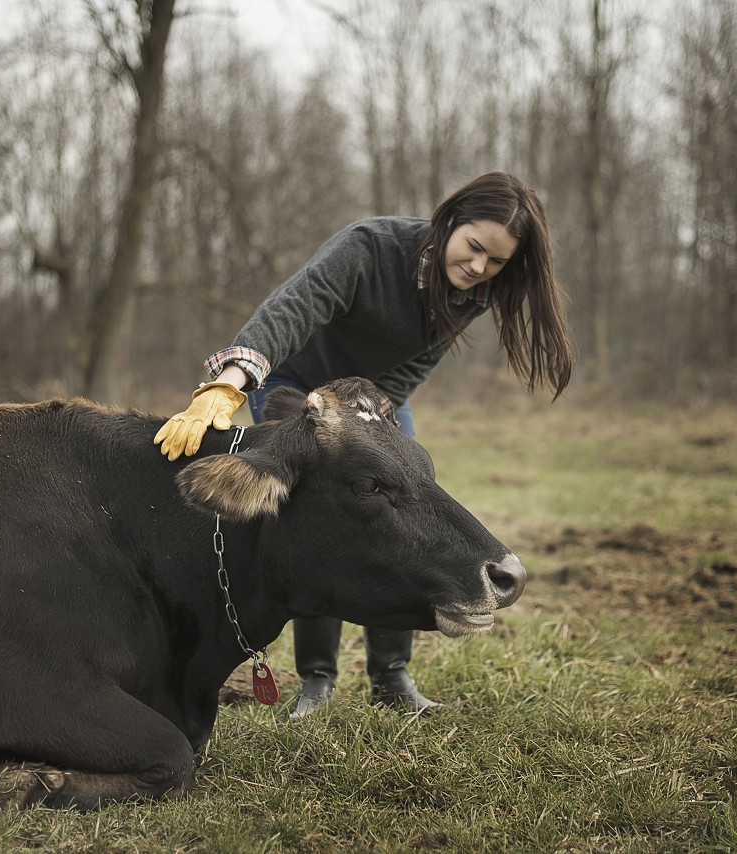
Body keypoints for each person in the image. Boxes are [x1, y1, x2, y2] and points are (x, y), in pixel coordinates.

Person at [155, 171, 575, 720]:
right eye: (473, 248)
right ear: (450, 220)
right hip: (294, 390)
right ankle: (318, 681)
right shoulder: (370, 248)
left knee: (404, 510)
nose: (477, 268)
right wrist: (231, 381)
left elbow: (411, 367)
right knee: (319, 521)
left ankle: (391, 677)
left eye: (495, 262)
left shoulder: (476, 290)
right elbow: (295, 307)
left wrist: (377, 424)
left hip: (374, 399)